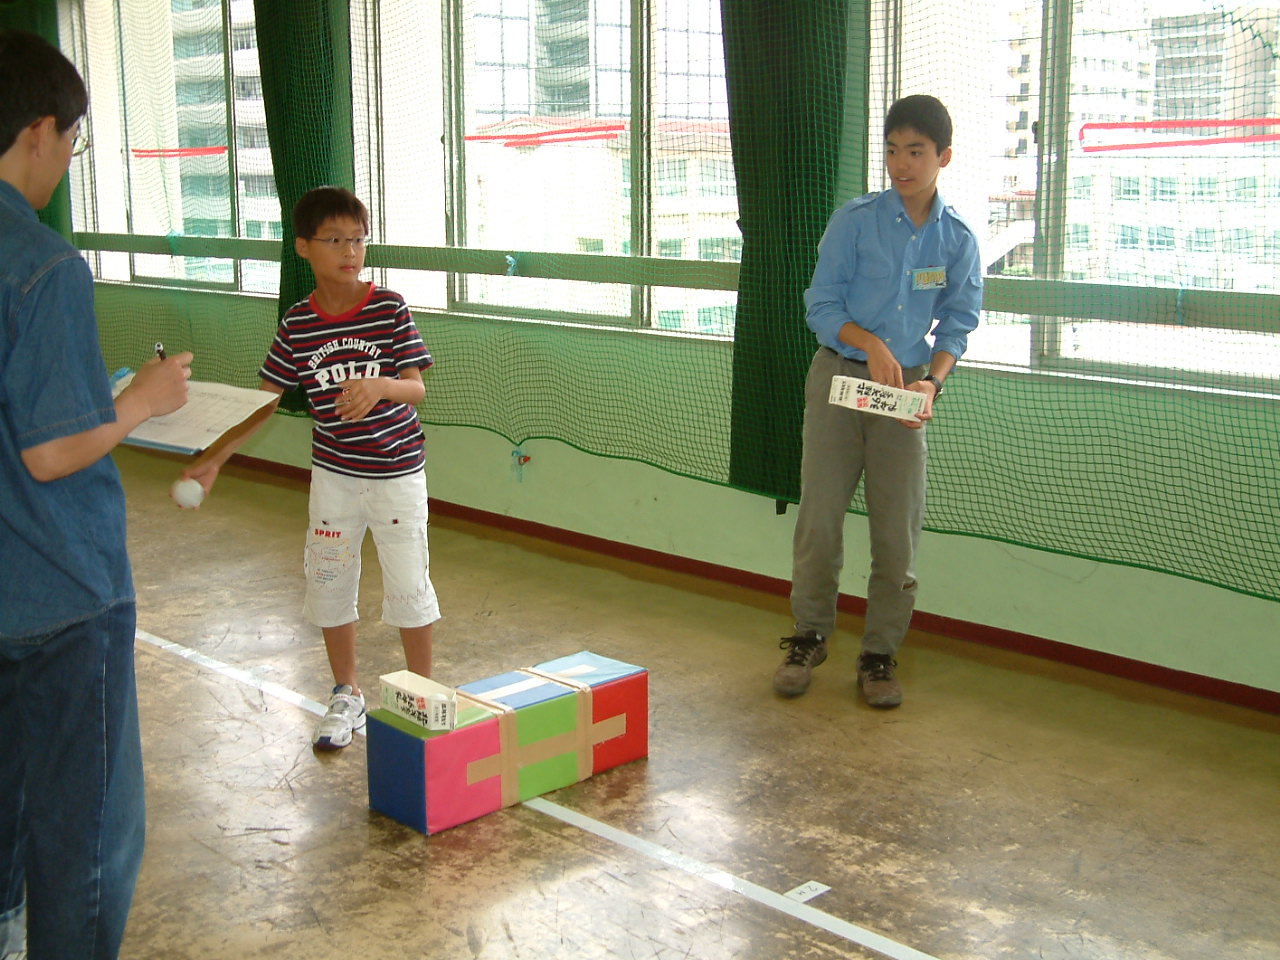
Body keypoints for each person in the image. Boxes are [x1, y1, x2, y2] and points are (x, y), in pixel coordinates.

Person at [0, 30, 193, 960]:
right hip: (61, 592)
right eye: (72, 141)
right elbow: (49, 453)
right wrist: (139, 403)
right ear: (39, 130)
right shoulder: (43, 264)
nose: (65, 162)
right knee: (86, 839)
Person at [182, 186, 440, 751]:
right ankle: (347, 693)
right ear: (303, 247)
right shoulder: (298, 323)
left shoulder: (388, 307)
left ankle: (421, 696)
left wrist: (379, 386)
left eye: (358, 239)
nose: (350, 251)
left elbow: (416, 387)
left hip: (397, 475)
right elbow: (265, 402)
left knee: (408, 584)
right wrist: (215, 457)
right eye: (334, 240)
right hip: (334, 479)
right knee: (329, 579)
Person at [773, 94, 982, 708]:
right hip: (839, 381)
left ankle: (879, 654)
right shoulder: (855, 221)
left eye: (915, 152)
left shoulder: (957, 238)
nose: (901, 164)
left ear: (943, 157)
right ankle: (808, 637)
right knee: (819, 520)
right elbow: (821, 306)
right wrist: (868, 343)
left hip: (904, 395)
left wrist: (930, 383)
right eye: (892, 151)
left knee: (897, 533)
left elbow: (959, 324)